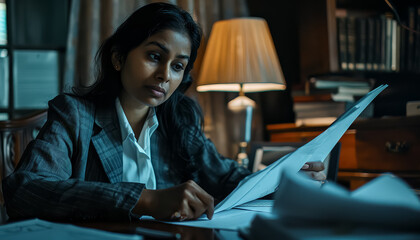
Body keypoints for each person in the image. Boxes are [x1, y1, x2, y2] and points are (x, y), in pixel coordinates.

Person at [3, 2, 325, 222]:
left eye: (177, 66)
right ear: (118, 59)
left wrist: (285, 180)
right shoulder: (75, 116)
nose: (165, 76)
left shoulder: (180, 119)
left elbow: (227, 178)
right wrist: (146, 200)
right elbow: (25, 190)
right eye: (155, 56)